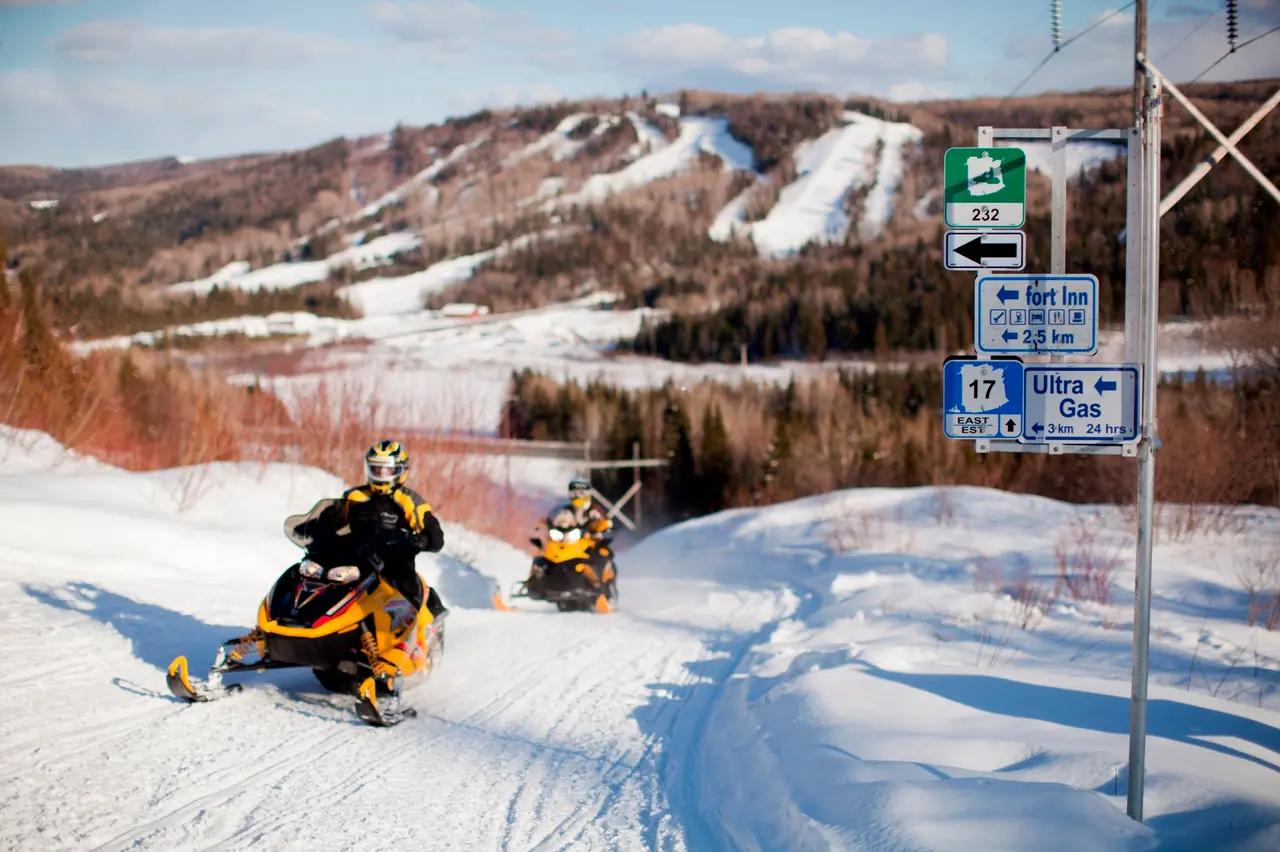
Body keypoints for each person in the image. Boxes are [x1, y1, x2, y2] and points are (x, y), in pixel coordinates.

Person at [291, 439, 447, 622]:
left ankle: (412, 632)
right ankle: (296, 615)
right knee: (310, 572)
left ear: (400, 470)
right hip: (355, 556)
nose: (381, 474)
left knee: (406, 588)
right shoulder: (355, 496)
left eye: (387, 470)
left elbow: (434, 534)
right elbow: (333, 518)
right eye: (376, 469)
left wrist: (425, 539)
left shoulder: (409, 500)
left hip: (393, 561)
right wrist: (312, 528)